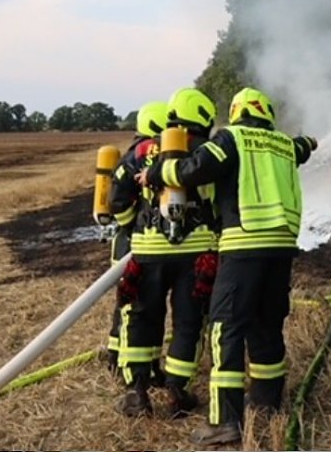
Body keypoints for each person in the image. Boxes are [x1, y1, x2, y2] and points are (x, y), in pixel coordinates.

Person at [140, 87, 317, 445]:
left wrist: (159, 172)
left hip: (243, 246)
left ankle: (224, 420)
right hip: (281, 249)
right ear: (267, 113)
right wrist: (310, 141)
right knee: (267, 323)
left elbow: (195, 168)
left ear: (235, 113)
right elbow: (304, 147)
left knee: (226, 328)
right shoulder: (284, 144)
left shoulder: (232, 137)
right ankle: (267, 403)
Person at [114, 87, 220, 418]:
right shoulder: (206, 151)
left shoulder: (143, 149)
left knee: (141, 316)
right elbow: (217, 201)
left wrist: (136, 228)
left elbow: (117, 198)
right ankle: (177, 391)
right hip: (196, 255)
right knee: (189, 321)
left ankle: (137, 392)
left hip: (147, 253)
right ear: (202, 116)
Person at [106, 100, 169, 378]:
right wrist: (133, 223)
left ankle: (138, 363)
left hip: (134, 239)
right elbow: (118, 203)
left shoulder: (135, 154)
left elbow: (118, 199)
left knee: (135, 305)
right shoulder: (154, 154)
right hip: (132, 242)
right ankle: (119, 358)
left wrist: (131, 223)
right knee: (133, 306)